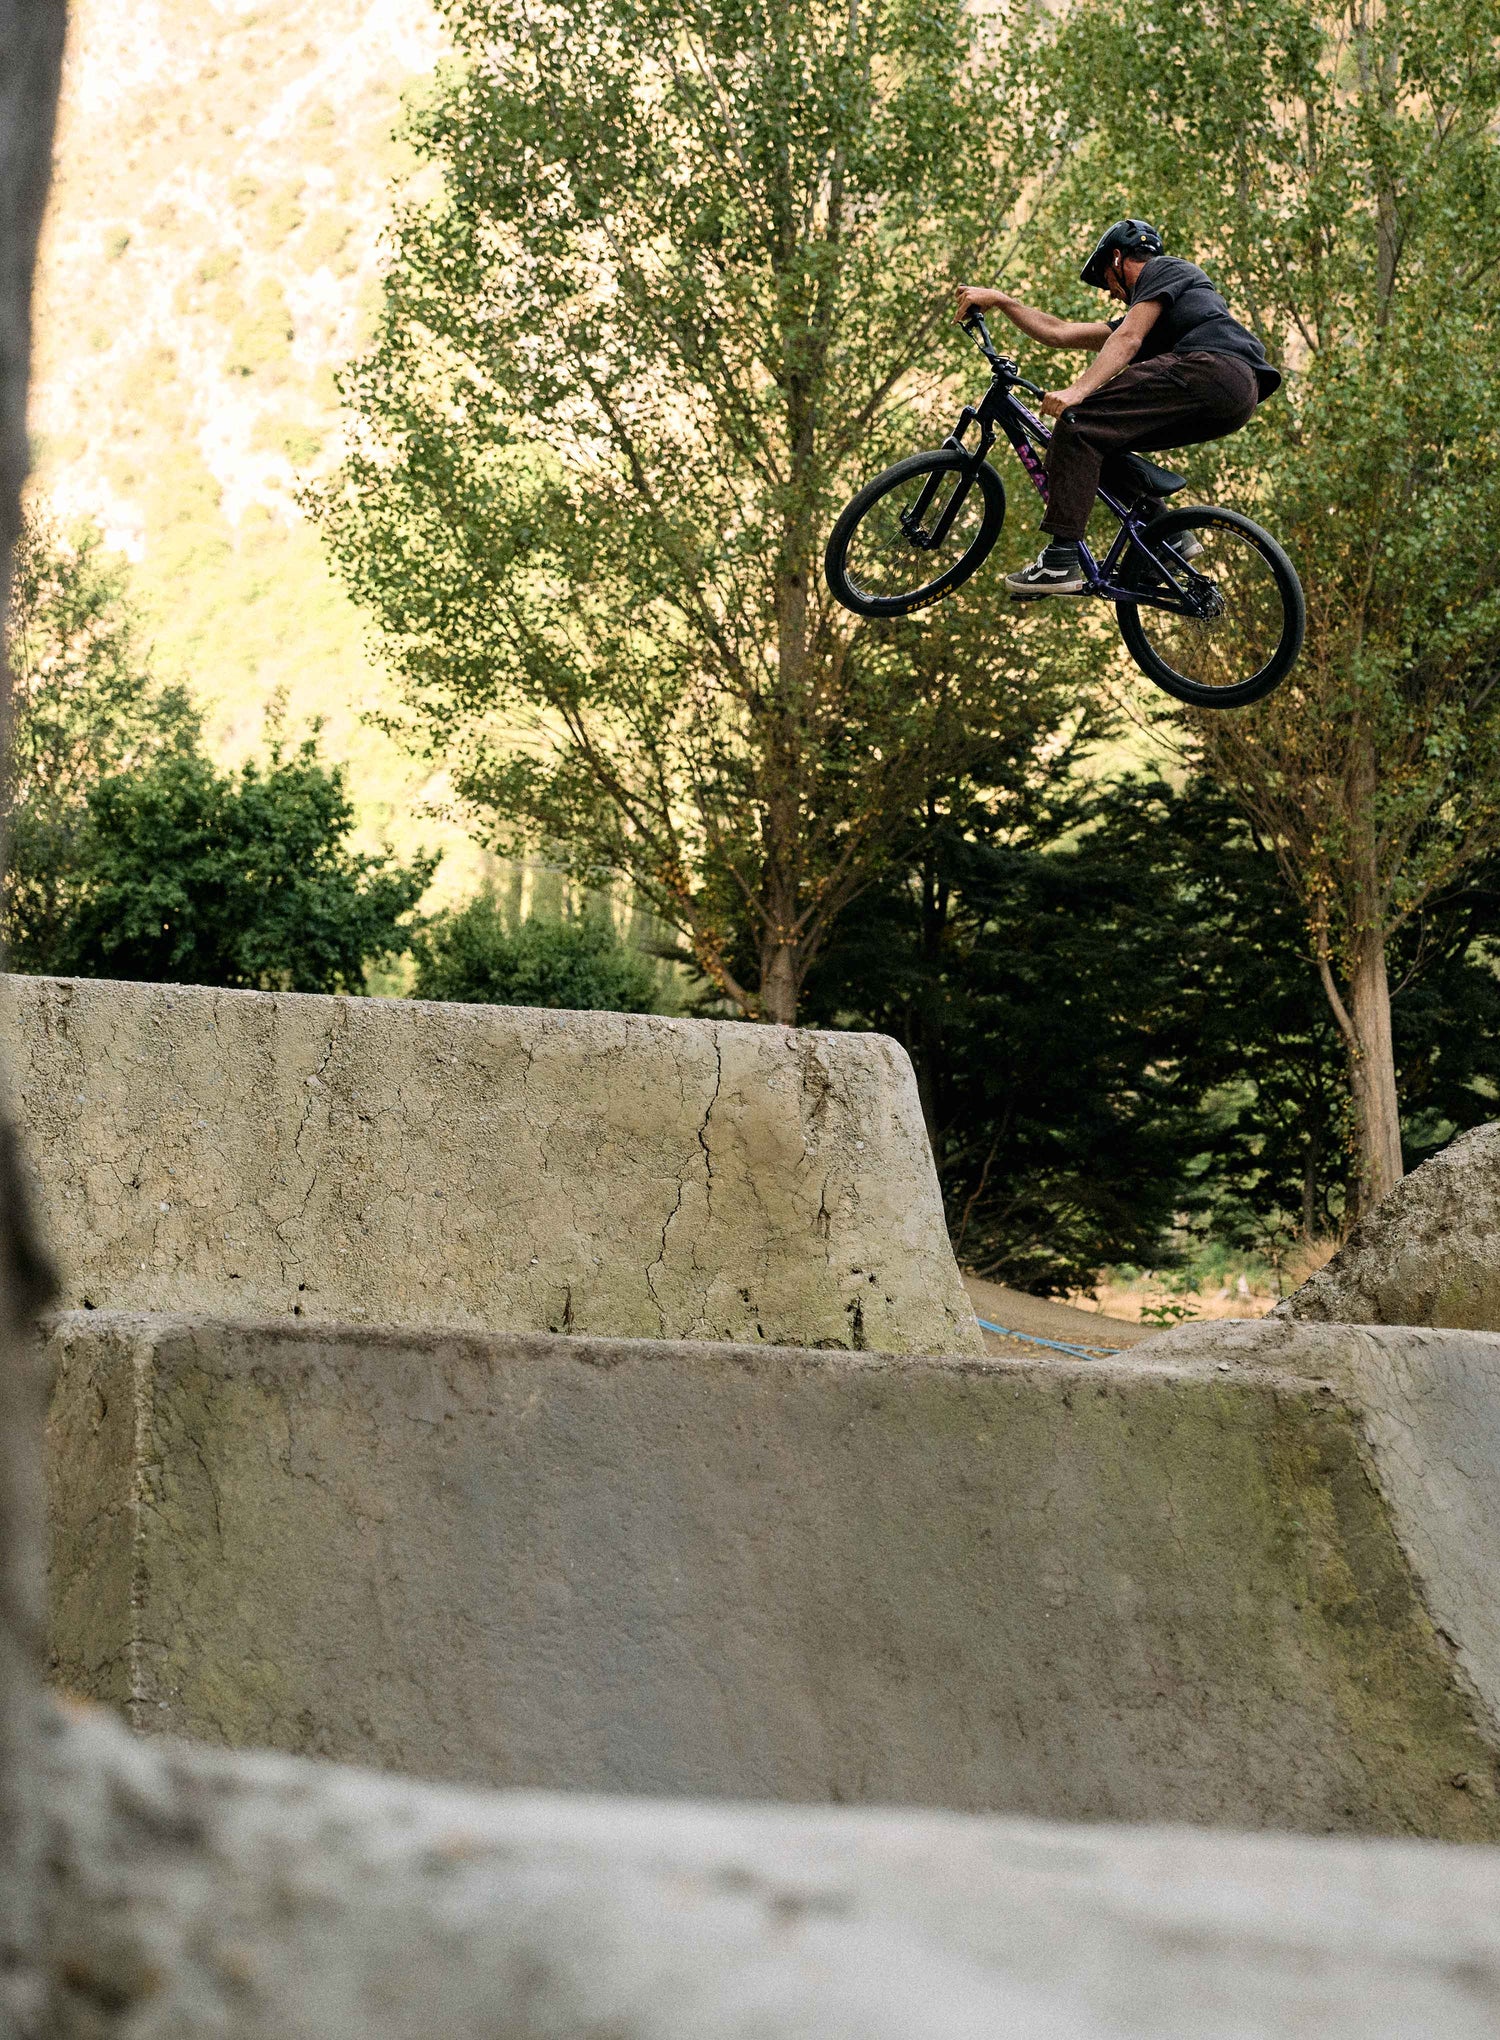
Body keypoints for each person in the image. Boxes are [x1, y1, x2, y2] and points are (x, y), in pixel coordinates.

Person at [954, 220, 1281, 596]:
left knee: (1078, 424)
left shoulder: (1165, 269)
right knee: (1101, 441)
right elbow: (1058, 333)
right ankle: (1169, 540)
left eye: (1106, 279)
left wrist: (1077, 391)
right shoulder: (1157, 309)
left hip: (1210, 368)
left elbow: (1127, 340)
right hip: (1232, 399)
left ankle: (1060, 561)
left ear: (1118, 258)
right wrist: (1002, 300)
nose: (1112, 293)